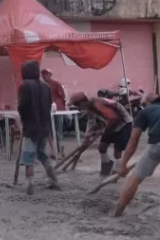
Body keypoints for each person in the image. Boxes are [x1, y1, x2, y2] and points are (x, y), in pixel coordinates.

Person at [18, 60, 60, 195]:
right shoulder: (46, 86)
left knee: (28, 157)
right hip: (44, 127)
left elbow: (22, 107)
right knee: (43, 155)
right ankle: (54, 180)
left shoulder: (25, 86)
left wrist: (23, 121)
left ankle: (30, 184)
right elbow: (48, 106)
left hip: (30, 128)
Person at [68, 91, 133, 177]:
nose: (78, 107)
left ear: (82, 102)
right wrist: (88, 135)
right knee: (102, 147)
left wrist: (103, 131)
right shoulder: (89, 106)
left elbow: (114, 118)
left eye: (77, 105)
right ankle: (107, 164)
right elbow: (91, 121)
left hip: (123, 123)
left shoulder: (97, 104)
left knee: (117, 150)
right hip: (110, 122)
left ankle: (117, 171)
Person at [41, 68, 66, 157]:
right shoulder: (42, 85)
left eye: (46, 74)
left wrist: (61, 107)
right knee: (51, 131)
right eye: (43, 74)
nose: (44, 76)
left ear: (50, 75)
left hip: (58, 110)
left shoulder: (56, 84)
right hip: (48, 110)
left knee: (58, 131)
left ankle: (60, 151)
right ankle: (55, 151)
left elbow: (63, 96)